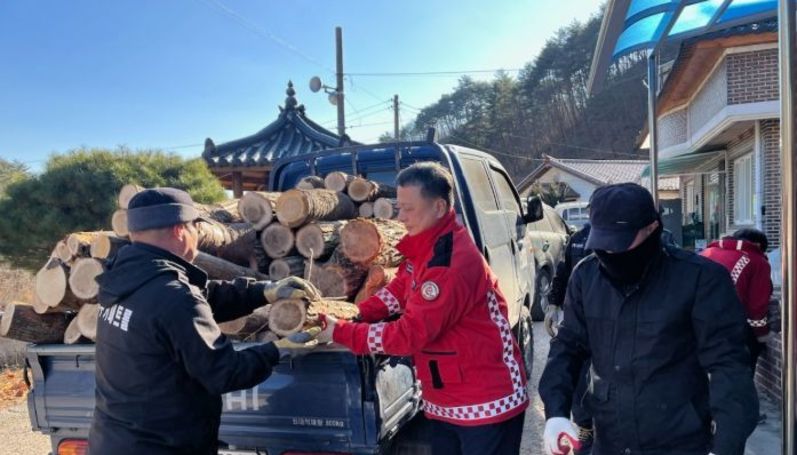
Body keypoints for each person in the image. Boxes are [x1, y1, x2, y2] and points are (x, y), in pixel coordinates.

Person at [88, 188, 320, 455]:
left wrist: (263, 291)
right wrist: (278, 349)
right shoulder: (172, 295)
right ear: (179, 230)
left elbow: (196, 300)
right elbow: (224, 372)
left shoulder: (124, 279)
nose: (197, 236)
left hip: (112, 441)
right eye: (195, 228)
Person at [316, 163, 528, 455]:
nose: (400, 217)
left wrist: (342, 332)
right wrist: (358, 313)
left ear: (439, 207)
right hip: (446, 398)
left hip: (485, 400)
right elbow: (399, 289)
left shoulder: (451, 262)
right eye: (399, 208)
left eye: (408, 209)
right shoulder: (426, 247)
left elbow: (409, 335)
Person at [538, 183, 758, 455]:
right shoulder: (586, 277)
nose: (611, 253)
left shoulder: (701, 280)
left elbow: (729, 366)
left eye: (620, 243)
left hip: (680, 441)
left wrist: (725, 445)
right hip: (610, 440)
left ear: (652, 229)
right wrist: (556, 412)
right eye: (603, 244)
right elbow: (567, 348)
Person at [545, 222, 593, 454]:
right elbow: (563, 272)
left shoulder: (659, 240)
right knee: (582, 380)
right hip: (581, 318)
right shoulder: (577, 239)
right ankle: (584, 431)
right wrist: (553, 304)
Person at [700, 229, 772, 373]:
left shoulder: (706, 253)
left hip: (698, 326)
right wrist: (761, 335)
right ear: (758, 245)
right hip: (732, 330)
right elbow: (756, 308)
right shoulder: (756, 261)